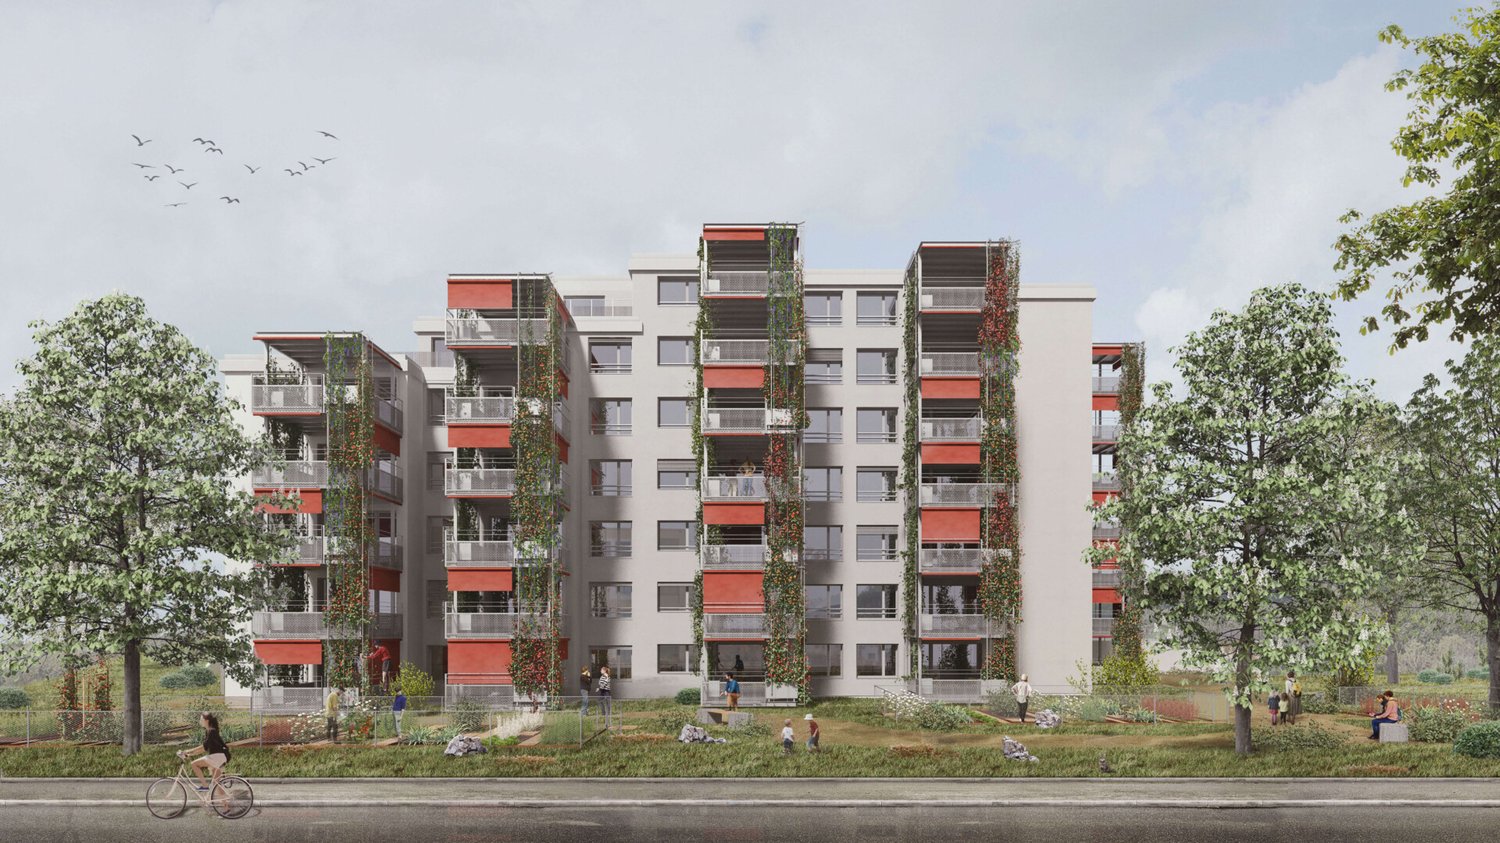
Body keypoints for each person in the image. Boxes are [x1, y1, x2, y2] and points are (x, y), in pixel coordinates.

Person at [180, 712, 231, 791]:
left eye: (201, 719)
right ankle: (225, 803)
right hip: (219, 757)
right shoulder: (210, 731)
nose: (200, 721)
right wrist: (189, 754)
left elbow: (203, 747)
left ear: (206, 720)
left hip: (217, 757)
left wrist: (188, 751)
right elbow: (204, 748)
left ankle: (205, 786)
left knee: (194, 764)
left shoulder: (212, 731)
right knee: (216, 786)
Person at [597, 665, 613, 729]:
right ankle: (603, 712)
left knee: (608, 703)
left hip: (606, 691)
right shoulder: (602, 677)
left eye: (601, 670)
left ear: (604, 671)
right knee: (599, 701)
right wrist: (600, 687)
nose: (600, 671)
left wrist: (599, 688)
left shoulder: (607, 677)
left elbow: (604, 684)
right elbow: (600, 683)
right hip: (602, 691)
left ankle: (608, 713)